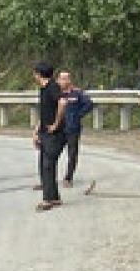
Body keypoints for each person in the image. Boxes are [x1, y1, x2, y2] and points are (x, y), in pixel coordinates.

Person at [32, 62, 67, 212]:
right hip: (45, 133)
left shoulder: (52, 87)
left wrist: (55, 124)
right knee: (44, 165)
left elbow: (63, 103)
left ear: (39, 74)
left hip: (56, 134)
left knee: (48, 165)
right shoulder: (43, 89)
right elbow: (44, 112)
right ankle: (54, 197)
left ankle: (48, 199)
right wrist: (36, 131)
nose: (33, 76)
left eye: (35, 73)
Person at [57, 70, 94, 186]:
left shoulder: (77, 93)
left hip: (73, 128)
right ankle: (48, 180)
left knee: (72, 153)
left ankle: (68, 178)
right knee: (52, 153)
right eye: (61, 78)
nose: (62, 81)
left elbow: (89, 104)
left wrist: (78, 115)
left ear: (69, 80)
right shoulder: (57, 93)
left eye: (65, 78)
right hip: (58, 128)